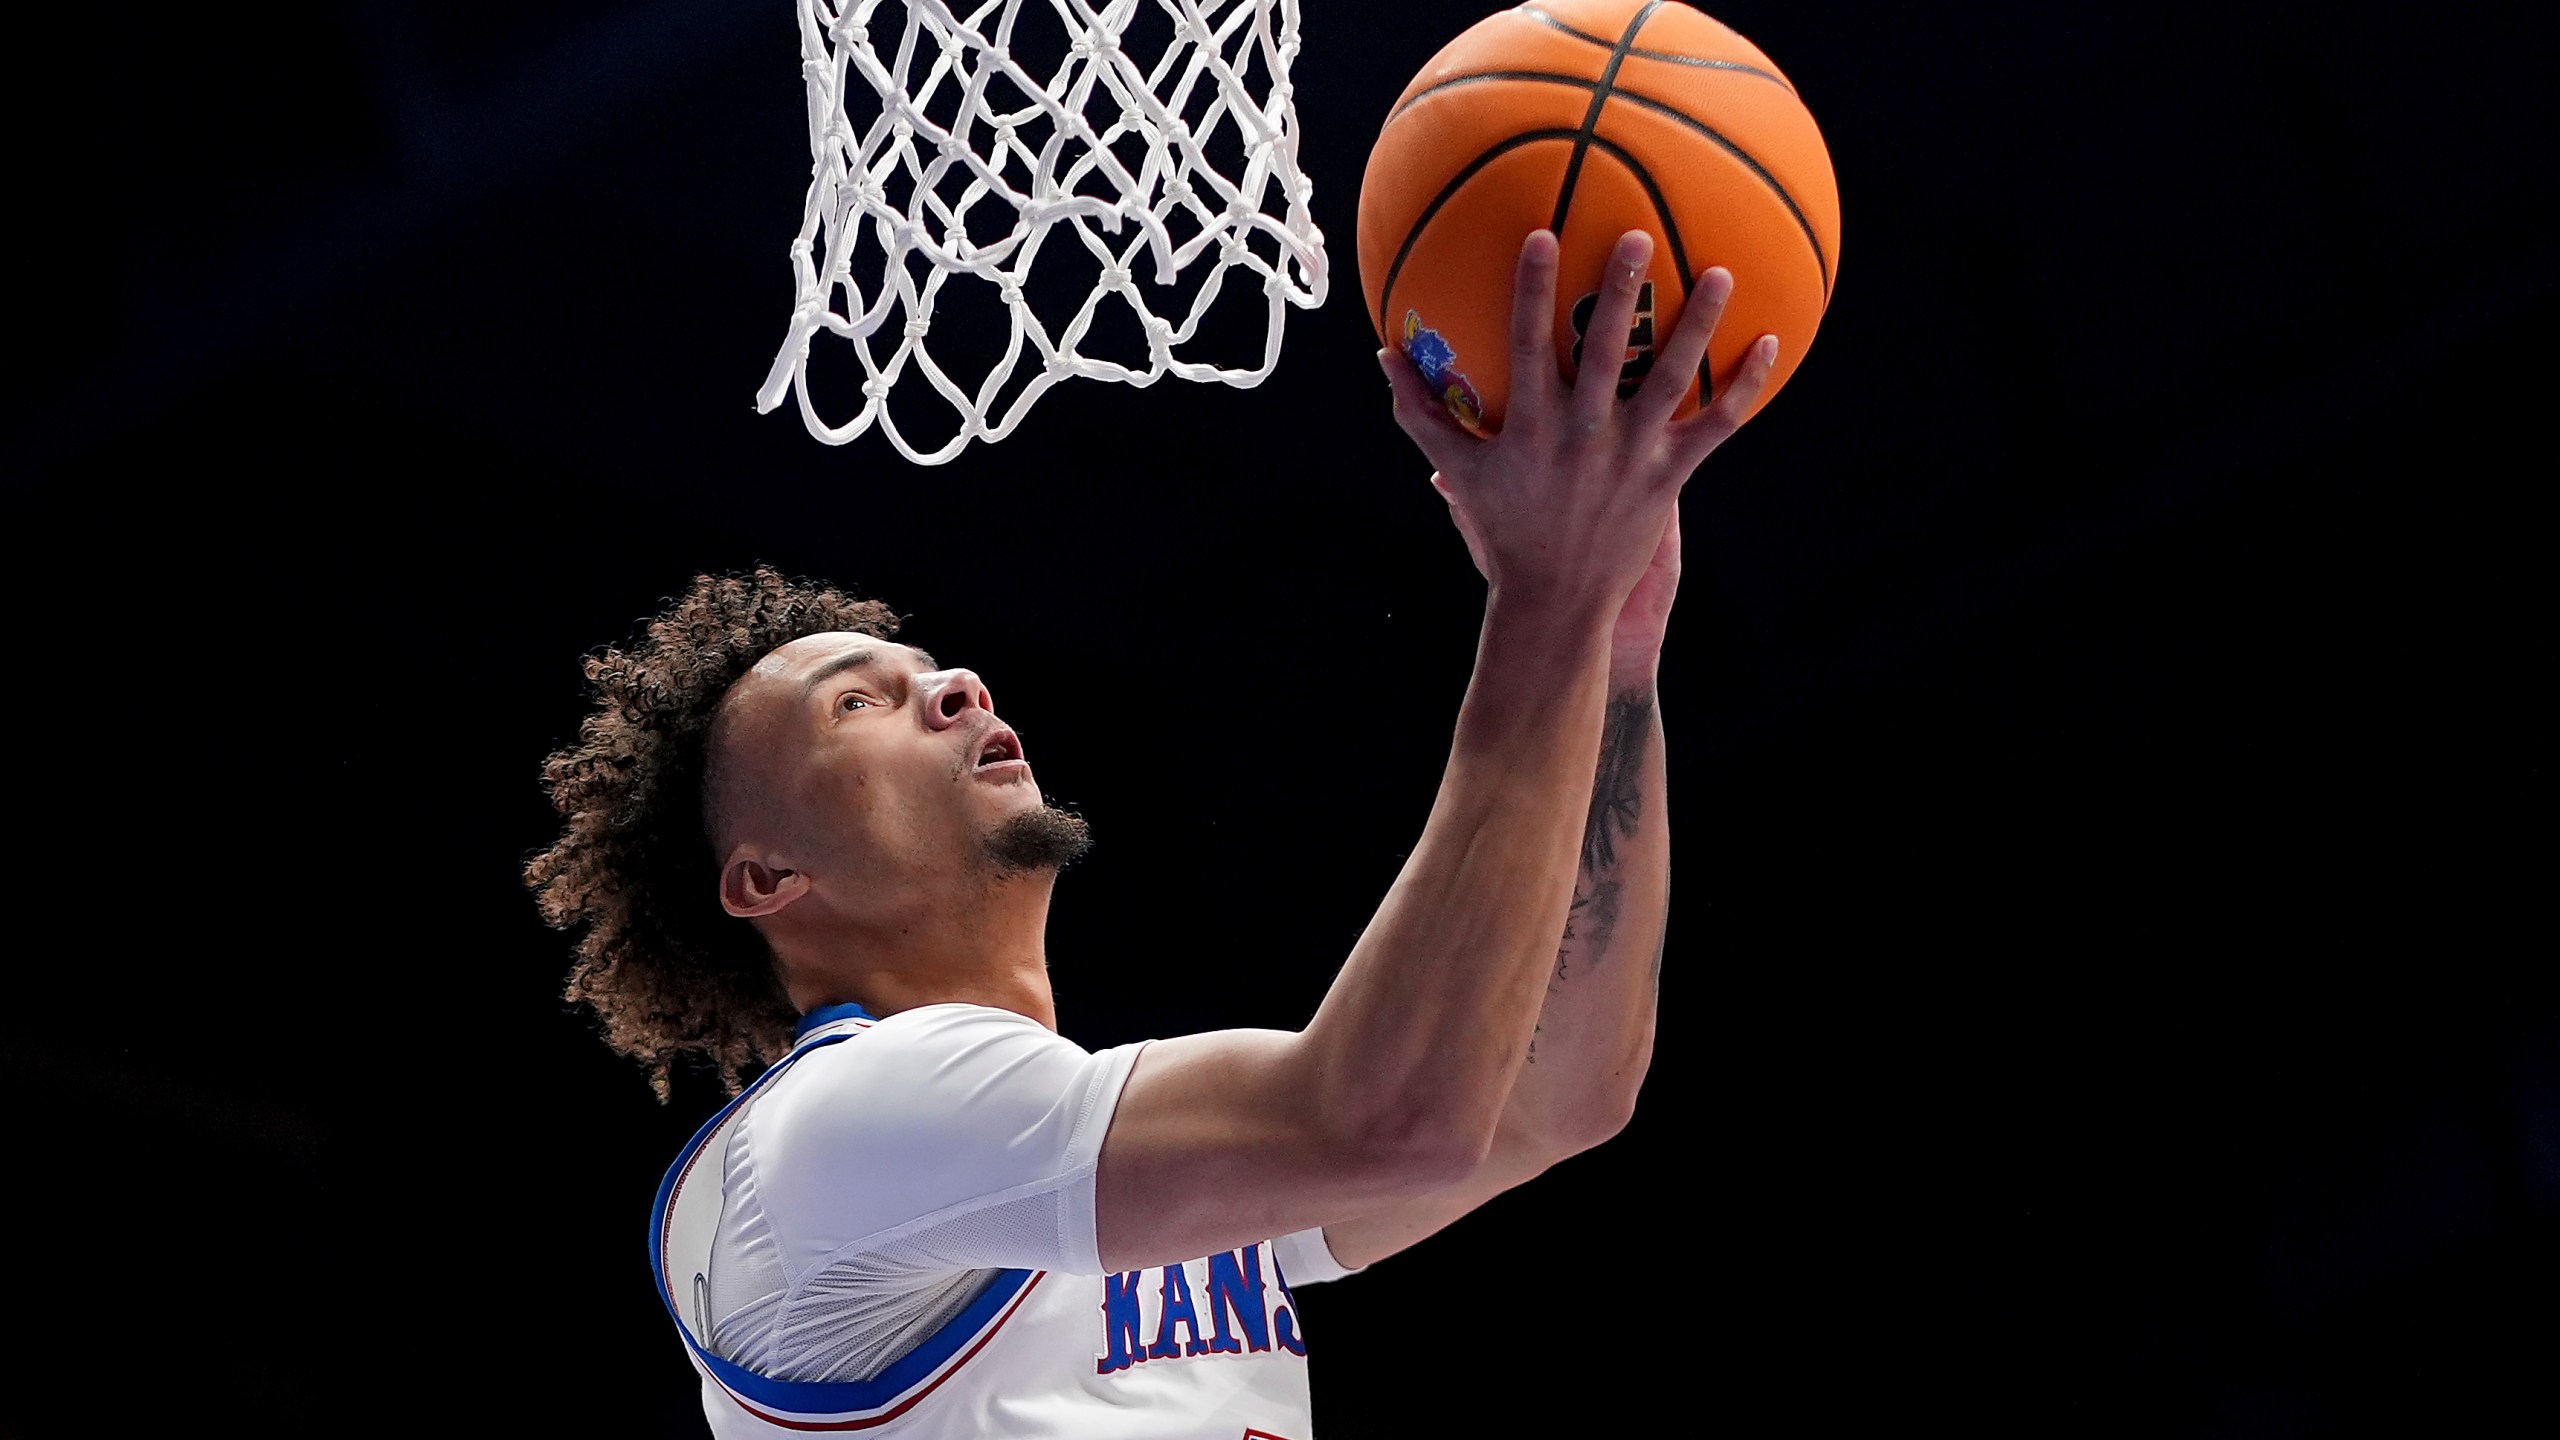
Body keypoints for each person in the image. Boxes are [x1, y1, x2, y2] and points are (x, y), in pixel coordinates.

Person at [525, 229, 1778, 1437]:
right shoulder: (840, 1129)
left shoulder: (1066, 1150)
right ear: (767, 878)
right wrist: (1548, 596)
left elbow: (1554, 1100)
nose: (956, 686)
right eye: (859, 703)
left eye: (932, 667)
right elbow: (1398, 1118)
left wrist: (1613, 651)